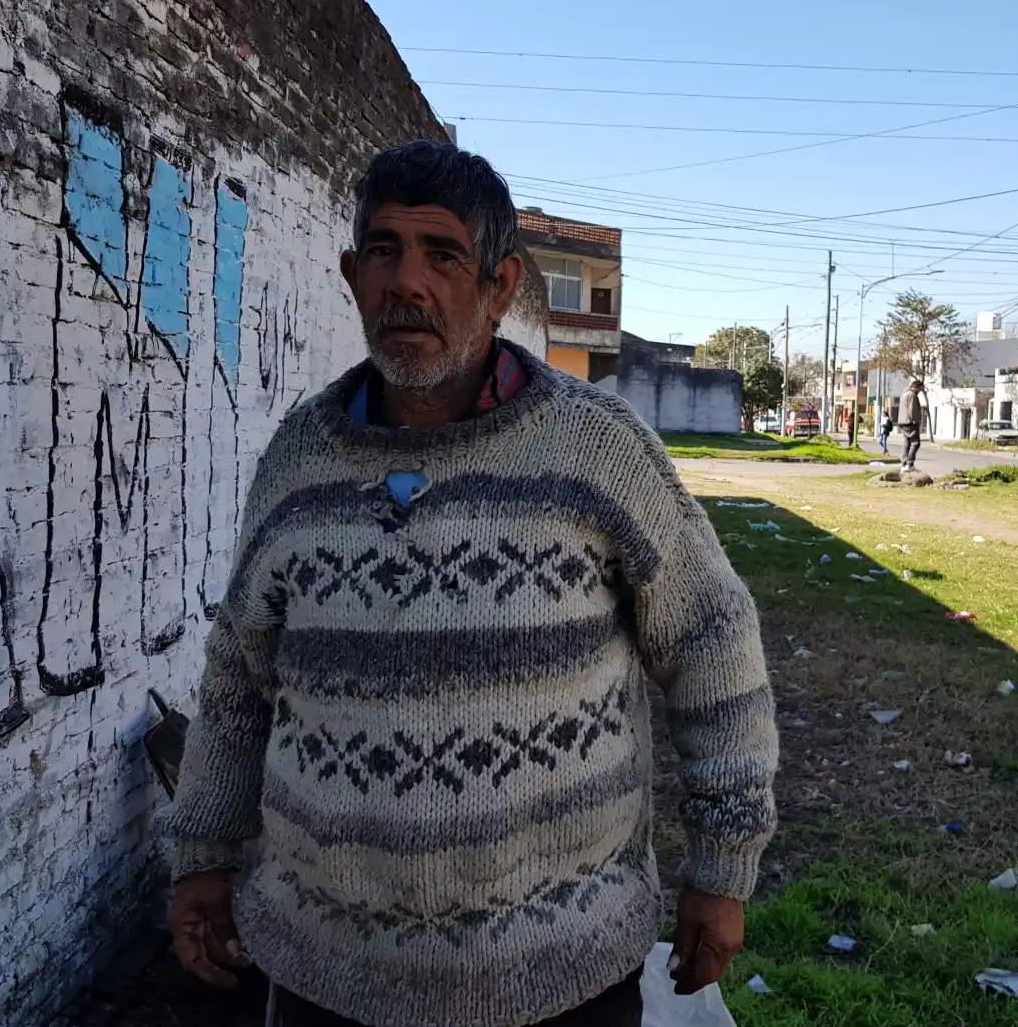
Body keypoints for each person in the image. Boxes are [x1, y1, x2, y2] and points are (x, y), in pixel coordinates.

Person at [161, 141, 778, 1027]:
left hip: (560, 975)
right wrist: (204, 855)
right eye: (383, 250)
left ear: (498, 287)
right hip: (325, 976)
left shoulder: (596, 449)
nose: (407, 282)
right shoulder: (298, 461)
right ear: (350, 273)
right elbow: (237, 679)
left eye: (442, 254)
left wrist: (722, 868)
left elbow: (712, 639)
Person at [896, 379, 927, 471]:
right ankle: (909, 464)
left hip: (902, 422)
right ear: (916, 387)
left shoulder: (904, 394)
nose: (919, 392)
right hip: (910, 422)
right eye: (920, 389)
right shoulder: (912, 395)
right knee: (915, 443)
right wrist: (915, 420)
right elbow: (912, 410)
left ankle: (904, 464)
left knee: (907, 443)